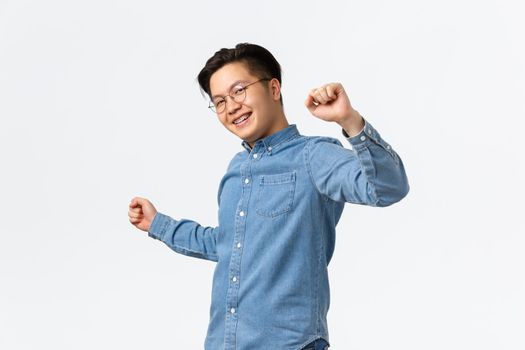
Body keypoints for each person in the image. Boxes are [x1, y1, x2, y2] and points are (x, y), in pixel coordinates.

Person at [128, 43, 409, 350]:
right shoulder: (236, 171)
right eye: (219, 101)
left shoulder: (313, 156)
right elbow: (228, 245)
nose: (231, 106)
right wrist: (158, 224)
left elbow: (388, 188)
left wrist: (349, 120)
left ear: (273, 88)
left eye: (239, 91)